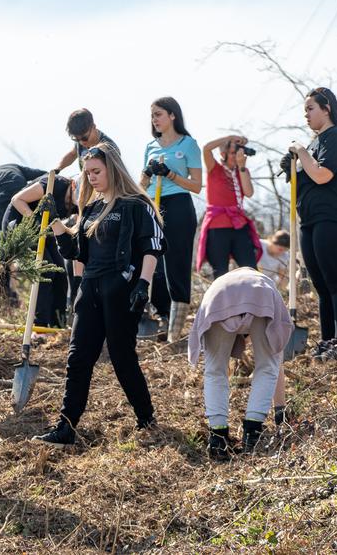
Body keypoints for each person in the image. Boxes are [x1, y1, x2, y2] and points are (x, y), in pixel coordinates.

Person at [32, 145, 164, 448]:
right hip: (90, 289)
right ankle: (65, 427)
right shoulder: (90, 209)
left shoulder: (135, 204)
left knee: (122, 357)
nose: (91, 177)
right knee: (78, 358)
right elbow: (76, 252)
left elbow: (152, 246)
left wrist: (143, 284)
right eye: (87, 172)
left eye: (96, 171)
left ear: (112, 169)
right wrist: (55, 221)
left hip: (122, 289)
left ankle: (146, 418)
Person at [281, 87, 337, 361]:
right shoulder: (313, 145)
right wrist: (292, 167)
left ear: (326, 108)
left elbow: (323, 175)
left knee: (336, 281)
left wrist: (300, 150)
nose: (306, 116)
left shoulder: (336, 136)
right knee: (322, 286)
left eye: (310, 109)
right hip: (310, 219)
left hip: (333, 216)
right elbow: (306, 179)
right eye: (305, 111)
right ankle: (327, 341)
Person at [188, 268, 292, 459]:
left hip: (217, 298)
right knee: (267, 366)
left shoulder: (221, 280)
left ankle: (218, 438)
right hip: (261, 296)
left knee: (215, 370)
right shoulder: (266, 283)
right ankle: (252, 434)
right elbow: (275, 363)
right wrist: (280, 411)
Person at [140, 96, 202, 341]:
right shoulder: (150, 146)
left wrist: (171, 174)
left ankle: (176, 329)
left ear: (172, 115)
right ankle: (160, 315)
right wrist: (147, 173)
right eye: (152, 115)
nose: (154, 119)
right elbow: (141, 185)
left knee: (176, 264)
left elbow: (197, 185)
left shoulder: (188, 145)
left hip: (178, 205)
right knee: (153, 263)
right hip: (154, 205)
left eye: (158, 114)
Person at [5, 173, 77, 327]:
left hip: (45, 230)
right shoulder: (56, 184)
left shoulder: (78, 204)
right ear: (73, 185)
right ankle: (39, 324)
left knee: (59, 272)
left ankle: (58, 323)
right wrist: (35, 222)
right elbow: (17, 199)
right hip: (20, 224)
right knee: (44, 270)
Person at [195, 136, 261, 279]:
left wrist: (241, 166)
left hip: (239, 226)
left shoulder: (242, 171)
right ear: (223, 154)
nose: (236, 155)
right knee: (220, 273)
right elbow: (206, 148)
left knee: (251, 270)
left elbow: (249, 192)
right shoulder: (214, 168)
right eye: (233, 152)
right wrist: (230, 138)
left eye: (238, 152)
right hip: (217, 227)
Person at [54, 108, 121, 172]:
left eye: (84, 138)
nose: (81, 142)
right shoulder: (81, 140)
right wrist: (57, 169)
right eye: (77, 139)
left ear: (93, 127)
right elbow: (72, 154)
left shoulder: (110, 149)